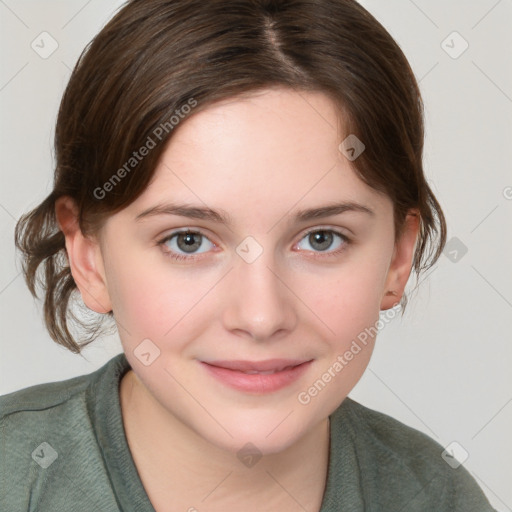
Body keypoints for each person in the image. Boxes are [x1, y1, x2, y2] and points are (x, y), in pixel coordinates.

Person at [0, 1, 497, 511]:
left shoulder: (439, 498)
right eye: (187, 240)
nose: (261, 317)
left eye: (322, 238)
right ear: (88, 255)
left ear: (397, 257)